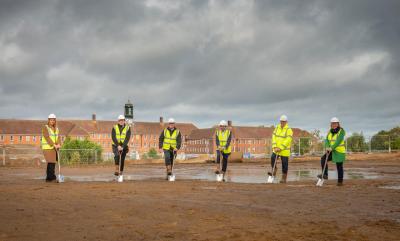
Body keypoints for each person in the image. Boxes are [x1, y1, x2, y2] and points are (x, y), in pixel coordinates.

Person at [318, 117, 346, 186]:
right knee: (323, 159)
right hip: (331, 150)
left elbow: (338, 141)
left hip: (339, 151)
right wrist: (327, 146)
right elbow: (327, 139)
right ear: (331, 124)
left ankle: (340, 182)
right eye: (332, 123)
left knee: (339, 166)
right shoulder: (330, 131)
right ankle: (325, 174)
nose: (334, 124)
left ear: (338, 124)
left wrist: (332, 148)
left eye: (335, 123)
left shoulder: (341, 131)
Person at [271, 115, 293, 183]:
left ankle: (284, 177)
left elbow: (288, 140)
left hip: (284, 150)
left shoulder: (289, 130)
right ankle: (274, 170)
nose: (282, 123)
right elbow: (273, 136)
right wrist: (274, 146)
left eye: (283, 121)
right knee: (272, 158)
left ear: (286, 122)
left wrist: (281, 148)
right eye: (281, 121)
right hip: (276, 149)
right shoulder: (277, 128)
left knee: (284, 164)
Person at [41, 114, 61, 182]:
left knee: (53, 162)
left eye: (53, 120)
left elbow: (58, 137)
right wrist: (53, 144)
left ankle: (51, 177)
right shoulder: (45, 127)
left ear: (55, 121)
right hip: (47, 148)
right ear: (48, 120)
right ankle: (50, 177)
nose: (52, 121)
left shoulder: (57, 129)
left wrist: (58, 144)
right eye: (51, 120)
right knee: (50, 162)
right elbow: (47, 137)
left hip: (54, 148)